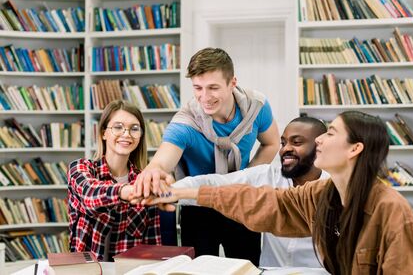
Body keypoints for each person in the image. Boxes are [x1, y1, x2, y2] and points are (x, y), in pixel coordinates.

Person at [147, 111, 413, 274]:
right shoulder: (322, 195)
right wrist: (181, 193)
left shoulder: (392, 212)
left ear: (355, 149)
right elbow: (265, 202)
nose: (320, 140)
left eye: (330, 133)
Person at [134, 47, 280, 265]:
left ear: (233, 83)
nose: (205, 97)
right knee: (201, 270)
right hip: (198, 208)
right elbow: (162, 161)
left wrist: (244, 180)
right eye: (198, 88)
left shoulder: (256, 106)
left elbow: (272, 143)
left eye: (213, 87)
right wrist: (153, 171)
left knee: (247, 267)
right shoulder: (186, 122)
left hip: (240, 202)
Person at [156, 116, 328, 268]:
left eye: (296, 142)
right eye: (283, 143)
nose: (285, 149)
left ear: (319, 146)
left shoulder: (334, 188)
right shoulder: (267, 174)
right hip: (270, 271)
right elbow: (216, 182)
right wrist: (168, 191)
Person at [67, 100, 161, 261]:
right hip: (87, 270)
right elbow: (90, 194)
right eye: (118, 127)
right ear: (104, 132)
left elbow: (152, 243)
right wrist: (126, 191)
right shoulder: (80, 168)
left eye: (134, 129)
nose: (126, 134)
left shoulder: (144, 180)